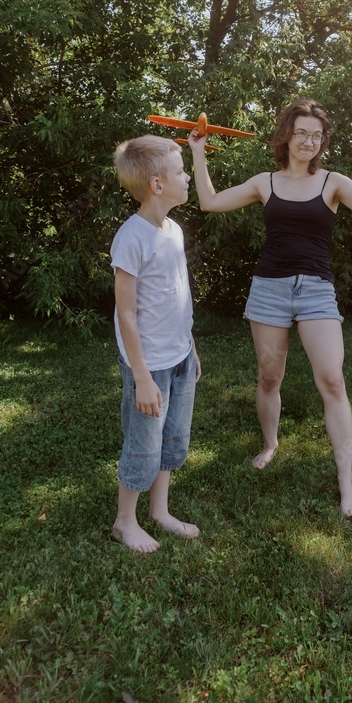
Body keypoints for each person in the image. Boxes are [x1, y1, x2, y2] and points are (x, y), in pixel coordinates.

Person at [188, 97, 352, 517]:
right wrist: (197, 151)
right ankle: (270, 444)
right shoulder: (265, 183)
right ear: (287, 136)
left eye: (316, 136)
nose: (308, 141)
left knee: (333, 380)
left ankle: (346, 483)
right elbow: (209, 201)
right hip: (269, 290)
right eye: (301, 132)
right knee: (269, 377)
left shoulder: (333, 182)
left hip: (316, 290)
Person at [110, 134, 201, 552]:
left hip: (179, 357)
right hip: (148, 366)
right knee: (144, 447)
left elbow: (177, 295)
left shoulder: (173, 230)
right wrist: (142, 378)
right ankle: (124, 522)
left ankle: (159, 511)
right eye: (181, 171)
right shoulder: (132, 238)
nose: (188, 178)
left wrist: (190, 345)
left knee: (172, 440)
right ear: (157, 185)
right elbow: (126, 314)